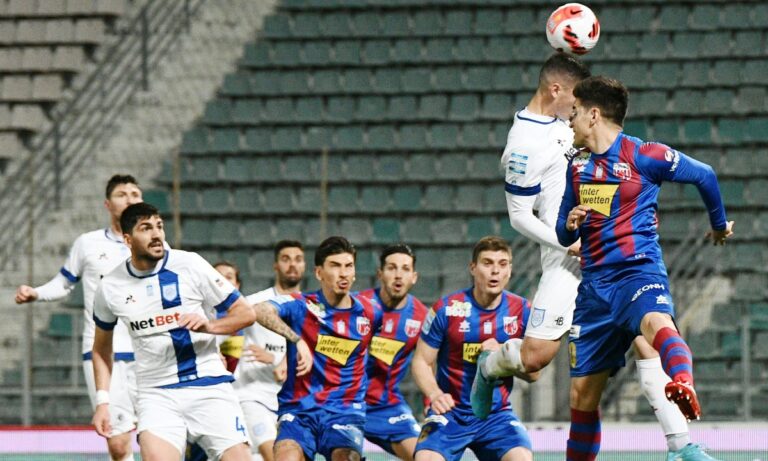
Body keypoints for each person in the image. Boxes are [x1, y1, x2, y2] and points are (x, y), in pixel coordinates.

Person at [474, 52, 717, 460]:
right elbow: (518, 216)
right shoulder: (524, 143)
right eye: (573, 98)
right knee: (535, 361)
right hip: (567, 262)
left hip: (612, 264)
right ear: (556, 91)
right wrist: (566, 241)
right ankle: (489, 364)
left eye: (580, 105)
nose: (575, 109)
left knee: (648, 340)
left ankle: (681, 445)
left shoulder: (578, 127)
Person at [555, 76, 733, 461]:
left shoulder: (644, 155)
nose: (569, 121)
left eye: (574, 113)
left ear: (593, 115)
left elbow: (704, 174)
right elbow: (561, 230)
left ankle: (682, 382)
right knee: (582, 398)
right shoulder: (577, 166)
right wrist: (569, 224)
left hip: (638, 272)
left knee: (656, 323)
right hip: (594, 289)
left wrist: (719, 225)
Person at [91, 203, 312, 461]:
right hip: (156, 393)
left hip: (209, 386)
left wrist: (210, 326)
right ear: (128, 239)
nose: (156, 234)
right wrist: (103, 401)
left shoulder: (189, 264)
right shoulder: (110, 286)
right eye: (146, 228)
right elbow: (101, 348)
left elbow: (246, 313)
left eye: (159, 226)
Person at [14, 174, 143, 461]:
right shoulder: (88, 243)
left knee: (154, 436)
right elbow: (64, 282)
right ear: (107, 204)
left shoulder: (155, 245)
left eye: (135, 194)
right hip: (103, 351)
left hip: (148, 350)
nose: (130, 199)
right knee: (118, 442)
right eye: (122, 194)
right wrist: (36, 293)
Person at [250, 236, 382, 461]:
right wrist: (296, 339)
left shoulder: (371, 312)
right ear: (319, 272)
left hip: (344, 410)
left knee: (346, 458)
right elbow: (260, 310)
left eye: (348, 266)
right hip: (299, 409)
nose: (343, 273)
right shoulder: (301, 304)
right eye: (335, 266)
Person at [410, 236, 537, 461]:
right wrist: (435, 394)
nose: (495, 271)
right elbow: (421, 361)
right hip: (450, 414)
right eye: (487, 263)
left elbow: (533, 374)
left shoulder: (523, 311)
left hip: (496, 416)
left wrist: (505, 354)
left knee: (521, 459)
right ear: (473, 268)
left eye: (502, 264)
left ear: (510, 270)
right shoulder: (447, 309)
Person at [235, 240, 306, 461]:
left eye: (298, 259)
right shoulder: (255, 302)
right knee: (272, 456)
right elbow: (225, 333)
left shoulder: (310, 308)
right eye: (286, 259)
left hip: (291, 402)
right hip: (254, 395)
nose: (292, 265)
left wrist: (276, 359)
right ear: (276, 265)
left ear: (305, 266)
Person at [359, 244, 428, 461]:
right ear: (380, 273)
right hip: (346, 402)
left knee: (426, 456)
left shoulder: (421, 317)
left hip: (386, 405)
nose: (398, 275)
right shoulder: (358, 305)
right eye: (392, 268)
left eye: (405, 269)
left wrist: (430, 403)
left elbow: (429, 362)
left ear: (414, 277)